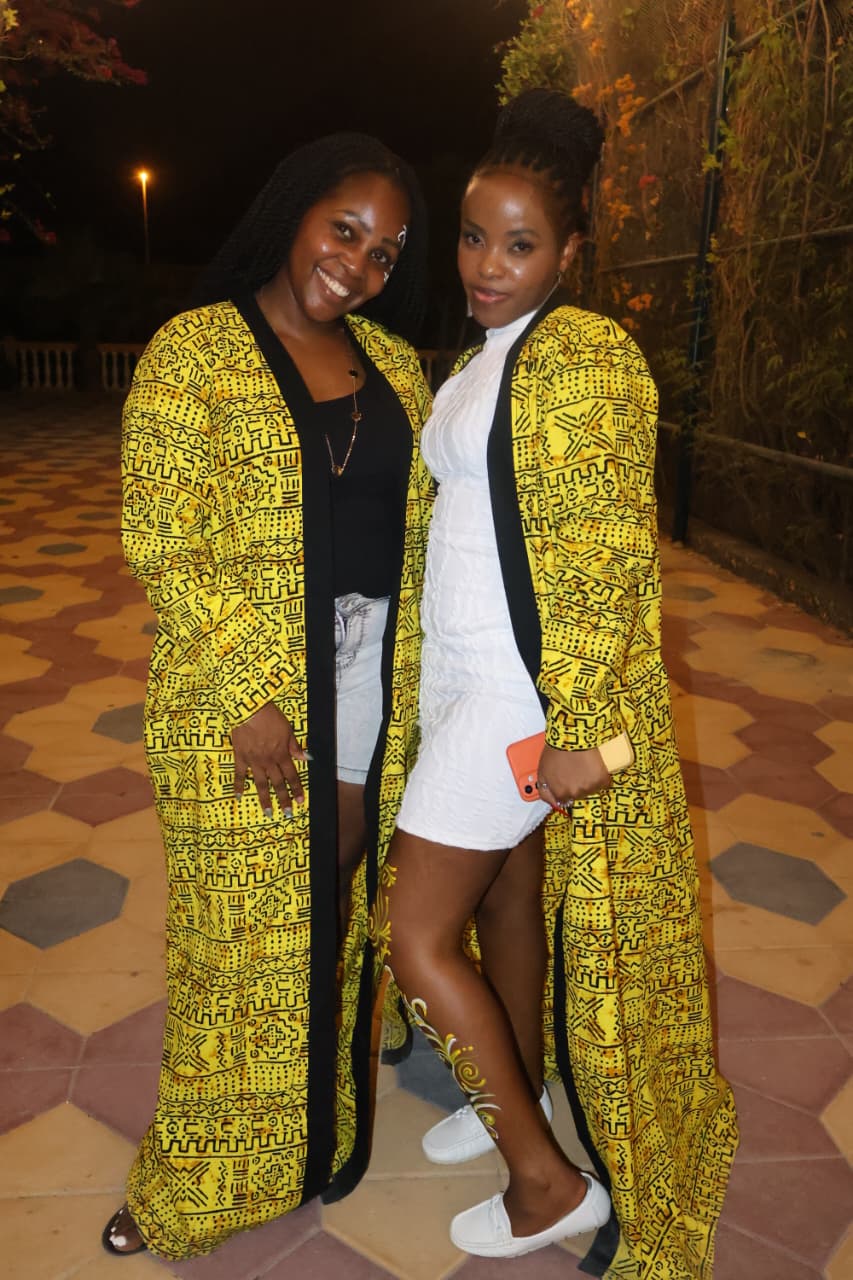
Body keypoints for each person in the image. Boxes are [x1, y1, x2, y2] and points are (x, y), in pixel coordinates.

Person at [375, 90, 738, 1272]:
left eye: (520, 244)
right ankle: (517, 1090)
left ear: (570, 250)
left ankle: (545, 1184)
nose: (487, 265)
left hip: (515, 696)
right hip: (467, 680)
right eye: (473, 237)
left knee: (415, 935)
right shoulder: (493, 354)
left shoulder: (581, 355)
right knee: (503, 904)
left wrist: (579, 723)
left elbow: (601, 553)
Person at [103, 133, 433, 1260]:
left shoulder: (395, 365)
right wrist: (248, 694)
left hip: (372, 678)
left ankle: (312, 1133)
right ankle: (194, 1179)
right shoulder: (194, 352)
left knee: (329, 909)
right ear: (297, 208)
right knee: (233, 940)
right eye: (345, 229)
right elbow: (163, 534)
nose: (358, 264)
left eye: (384, 252)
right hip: (237, 688)